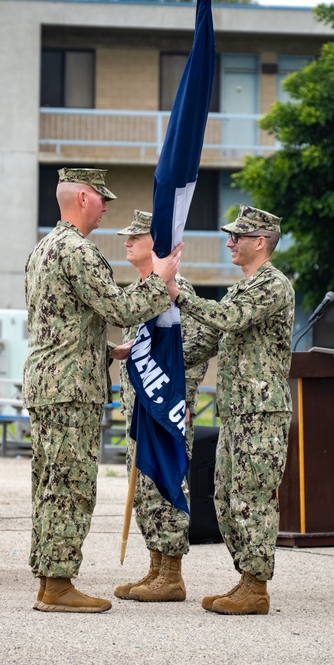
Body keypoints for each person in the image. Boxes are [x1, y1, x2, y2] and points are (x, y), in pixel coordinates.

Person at [22, 168, 182, 614]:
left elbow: (58, 321)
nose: (106, 207)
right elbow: (118, 306)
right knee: (71, 486)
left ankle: (49, 577)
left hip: (48, 380)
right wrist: (161, 277)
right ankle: (57, 586)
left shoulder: (43, 249)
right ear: (82, 197)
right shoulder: (79, 251)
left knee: (49, 482)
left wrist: (110, 350)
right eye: (102, 199)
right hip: (71, 388)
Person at [169, 205, 295, 616]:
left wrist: (181, 295)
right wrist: (145, 358)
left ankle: (256, 586)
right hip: (237, 412)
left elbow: (229, 319)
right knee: (225, 496)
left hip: (261, 412)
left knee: (252, 495)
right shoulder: (241, 287)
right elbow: (208, 340)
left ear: (260, 242)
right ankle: (245, 578)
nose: (229, 243)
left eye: (236, 238)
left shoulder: (272, 285)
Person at [110, 210, 209, 603]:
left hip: (164, 411)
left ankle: (172, 575)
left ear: (158, 243)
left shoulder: (173, 289)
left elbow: (199, 346)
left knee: (165, 484)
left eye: (136, 235)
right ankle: (155, 568)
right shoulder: (142, 288)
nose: (127, 241)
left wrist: (180, 399)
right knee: (145, 490)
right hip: (140, 410)